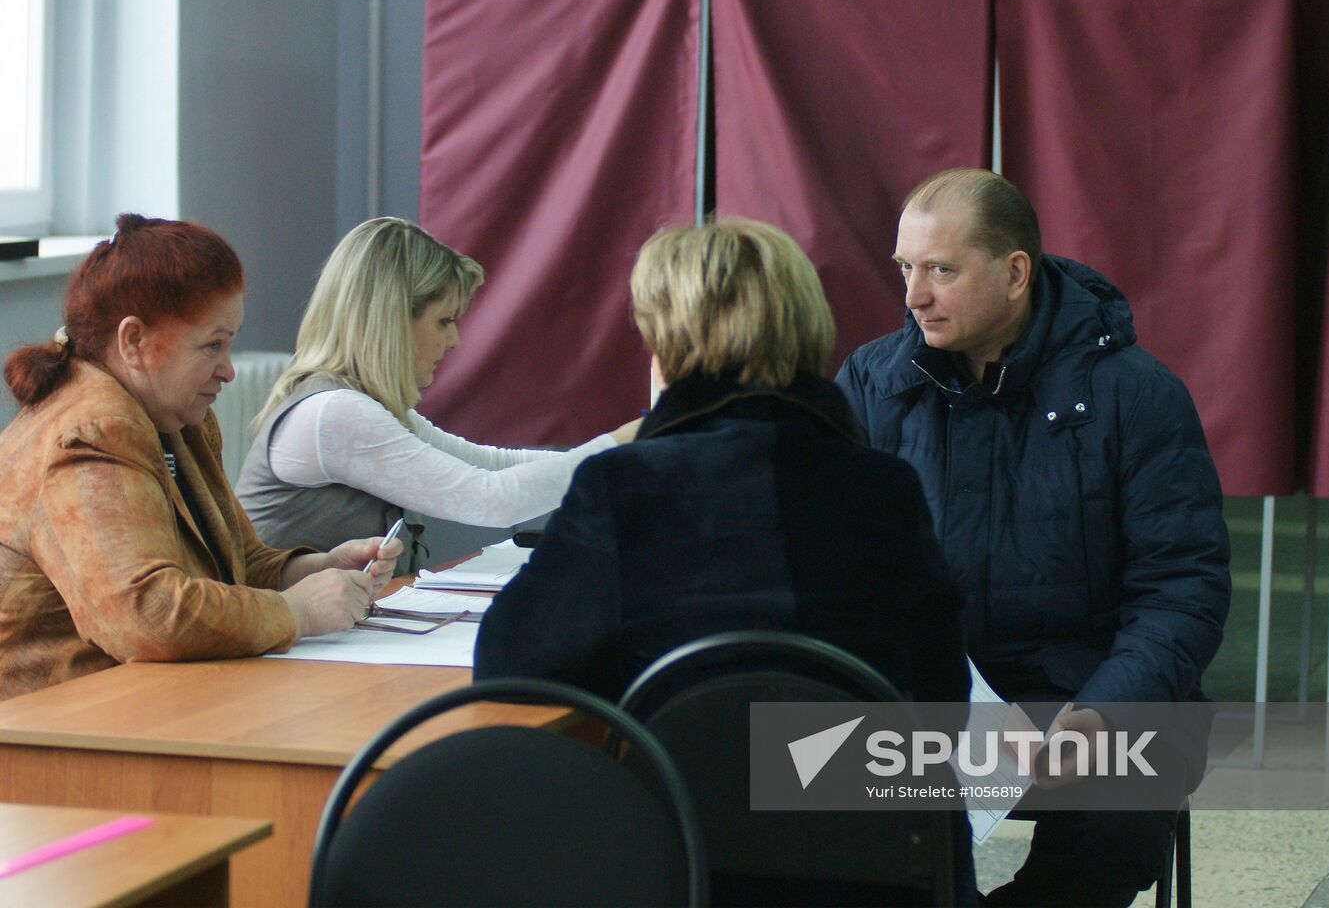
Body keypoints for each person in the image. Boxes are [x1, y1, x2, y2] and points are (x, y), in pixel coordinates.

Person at [474, 217, 976, 904]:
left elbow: (506, 664)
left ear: (666, 344)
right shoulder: (885, 489)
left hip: (681, 863)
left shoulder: (623, 486)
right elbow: (943, 701)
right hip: (880, 869)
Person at [836, 168, 1231, 907]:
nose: (914, 295)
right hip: (933, 694)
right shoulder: (871, 383)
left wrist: (1099, 715)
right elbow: (835, 566)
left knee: (1115, 809)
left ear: (1015, 272)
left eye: (941, 270)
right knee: (794, 782)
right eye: (907, 269)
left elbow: (1182, 590)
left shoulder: (1137, 395)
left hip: (1094, 688)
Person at [0, 215, 401, 701]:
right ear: (134, 343)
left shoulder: (176, 419)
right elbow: (146, 615)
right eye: (213, 345)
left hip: (133, 704)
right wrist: (296, 612)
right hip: (54, 733)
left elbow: (235, 561)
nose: (228, 370)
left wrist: (313, 569)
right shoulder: (90, 432)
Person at [236, 217, 641, 573]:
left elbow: (494, 465)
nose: (454, 340)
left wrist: (615, 453)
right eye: (444, 321)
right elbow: (491, 499)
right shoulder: (336, 413)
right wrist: (620, 443)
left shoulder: (360, 405)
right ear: (392, 322)